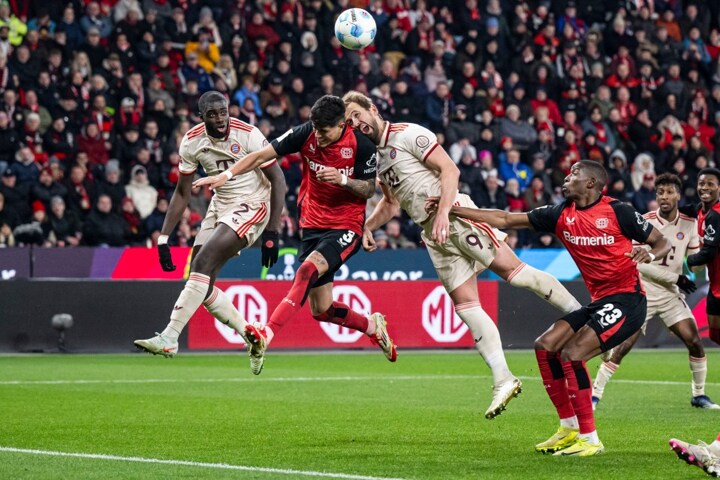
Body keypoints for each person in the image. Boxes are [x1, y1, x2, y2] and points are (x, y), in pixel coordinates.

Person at [342, 91, 584, 419]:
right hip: (433, 234)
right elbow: (391, 202)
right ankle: (503, 378)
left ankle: (584, 315)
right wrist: (368, 226)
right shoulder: (378, 158)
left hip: (455, 216)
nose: (355, 123)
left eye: (357, 115)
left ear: (372, 109)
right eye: (349, 122)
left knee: (517, 274)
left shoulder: (409, 133)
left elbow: (450, 171)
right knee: (467, 308)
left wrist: (443, 213)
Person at [428, 160, 670, 455]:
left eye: (574, 175)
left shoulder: (618, 211)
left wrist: (649, 251)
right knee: (545, 346)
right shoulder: (559, 214)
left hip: (628, 301)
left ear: (591, 183)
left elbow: (662, 243)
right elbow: (503, 219)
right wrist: (453, 209)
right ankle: (568, 428)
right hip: (600, 303)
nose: (567, 178)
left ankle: (590, 439)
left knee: (572, 354)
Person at [193, 95, 397, 375]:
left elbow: (368, 189)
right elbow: (261, 155)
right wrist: (225, 176)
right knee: (321, 310)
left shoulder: (361, 145)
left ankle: (266, 334)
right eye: (315, 129)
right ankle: (372, 326)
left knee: (305, 272)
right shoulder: (307, 134)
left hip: (346, 226)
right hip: (312, 224)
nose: (318, 136)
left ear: (341, 126)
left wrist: (342, 180)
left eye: (324, 132)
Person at [134, 91, 287, 365]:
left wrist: (272, 231)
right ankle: (252, 335)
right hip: (220, 205)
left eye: (223, 112)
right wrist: (164, 237)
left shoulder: (248, 134)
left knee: (202, 263)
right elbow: (182, 193)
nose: (220, 119)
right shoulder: (192, 142)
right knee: (201, 283)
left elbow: (278, 179)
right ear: (200, 116)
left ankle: (170, 337)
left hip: (253, 203)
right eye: (213, 114)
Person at [592, 173, 719, 410]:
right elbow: (639, 264)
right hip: (643, 293)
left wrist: (708, 252)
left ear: (678, 196)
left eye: (669, 192)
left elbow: (694, 262)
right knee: (623, 347)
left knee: (694, 342)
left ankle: (699, 395)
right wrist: (676, 277)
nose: (664, 197)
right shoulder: (644, 221)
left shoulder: (689, 224)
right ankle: (595, 395)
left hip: (671, 296)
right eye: (660, 193)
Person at [687, 168, 720, 350]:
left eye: (710, 184)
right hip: (715, 284)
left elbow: (708, 253)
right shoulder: (701, 210)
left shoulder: (715, 216)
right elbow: (684, 210)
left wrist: (686, 262)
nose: (705, 188)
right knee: (714, 335)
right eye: (701, 184)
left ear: (719, 188)